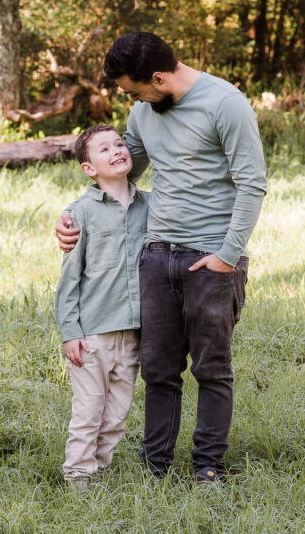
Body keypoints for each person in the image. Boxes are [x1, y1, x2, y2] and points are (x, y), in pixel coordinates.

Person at [57, 32, 266, 484]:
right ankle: (157, 469)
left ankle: (207, 467)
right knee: (158, 371)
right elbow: (121, 164)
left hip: (211, 259)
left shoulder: (226, 104)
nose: (132, 101)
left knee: (211, 367)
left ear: (158, 78)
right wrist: (75, 216)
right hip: (156, 257)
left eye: (135, 91)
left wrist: (227, 256)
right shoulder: (143, 110)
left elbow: (252, 184)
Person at [55, 123, 148, 487]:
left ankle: (101, 472)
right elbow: (69, 278)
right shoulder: (81, 214)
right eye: (104, 150)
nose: (116, 151)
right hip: (94, 333)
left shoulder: (149, 205)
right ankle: (78, 479)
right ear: (89, 168)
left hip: (135, 330)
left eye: (120, 144)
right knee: (89, 412)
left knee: (116, 415)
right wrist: (70, 332)